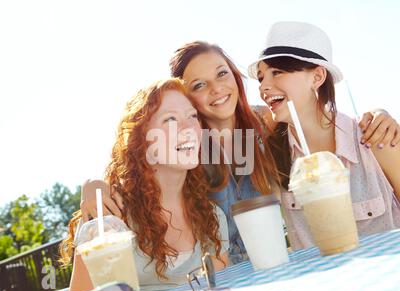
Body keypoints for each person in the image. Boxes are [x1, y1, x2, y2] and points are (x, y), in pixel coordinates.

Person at [78, 40, 400, 264]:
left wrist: (379, 113)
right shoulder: (186, 148)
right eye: (199, 85)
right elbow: (135, 159)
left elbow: (315, 116)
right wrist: (95, 182)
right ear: (186, 98)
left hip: (274, 267)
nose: (217, 89)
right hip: (218, 279)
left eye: (222, 74)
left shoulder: (265, 125)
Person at [59, 78, 229, 291]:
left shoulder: (212, 216)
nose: (189, 128)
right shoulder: (109, 217)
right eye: (170, 119)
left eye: (192, 116)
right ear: (142, 140)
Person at [249, 21, 400, 250]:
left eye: (277, 72)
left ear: (317, 77)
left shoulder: (375, 138)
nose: (263, 87)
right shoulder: (271, 159)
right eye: (261, 78)